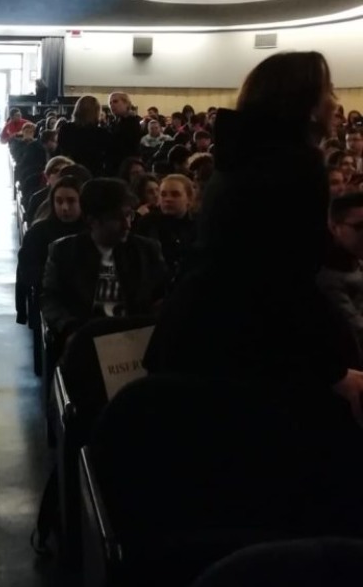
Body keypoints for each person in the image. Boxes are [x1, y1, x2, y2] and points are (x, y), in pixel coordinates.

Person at [145, 51, 363, 435]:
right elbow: (285, 279)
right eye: (328, 91)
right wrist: (333, 369)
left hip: (196, 328)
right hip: (239, 345)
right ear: (305, 104)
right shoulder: (296, 164)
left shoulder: (242, 154)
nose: (336, 101)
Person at [42, 178, 167, 345]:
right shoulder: (64, 252)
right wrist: (69, 329)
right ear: (92, 221)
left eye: (128, 215)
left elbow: (162, 294)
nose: (127, 225)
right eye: (117, 219)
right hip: (85, 338)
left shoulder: (146, 250)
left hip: (138, 338)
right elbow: (50, 300)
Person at [17, 176, 86, 294]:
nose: (64, 208)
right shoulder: (38, 232)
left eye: (71, 201)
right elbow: (28, 272)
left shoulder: (93, 232)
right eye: (59, 201)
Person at [317, 192, 363, 360]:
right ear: (334, 227)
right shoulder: (329, 277)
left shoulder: (355, 259)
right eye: (360, 227)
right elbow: (356, 330)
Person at [134, 174, 197, 287]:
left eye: (175, 194)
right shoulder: (148, 223)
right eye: (163, 194)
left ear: (189, 199)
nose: (168, 199)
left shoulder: (199, 224)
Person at [56, 94, 108, 176]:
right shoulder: (101, 133)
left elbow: (60, 150)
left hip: (70, 171)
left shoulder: (66, 128)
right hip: (93, 173)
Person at [24, 155, 75, 226]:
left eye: (65, 171)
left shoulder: (78, 196)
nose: (60, 174)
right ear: (47, 176)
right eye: (56, 170)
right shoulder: (37, 198)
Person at [105, 92, 143, 175]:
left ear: (126, 103)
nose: (112, 105)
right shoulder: (112, 122)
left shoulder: (133, 121)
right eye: (110, 103)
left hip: (128, 164)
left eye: (115, 101)